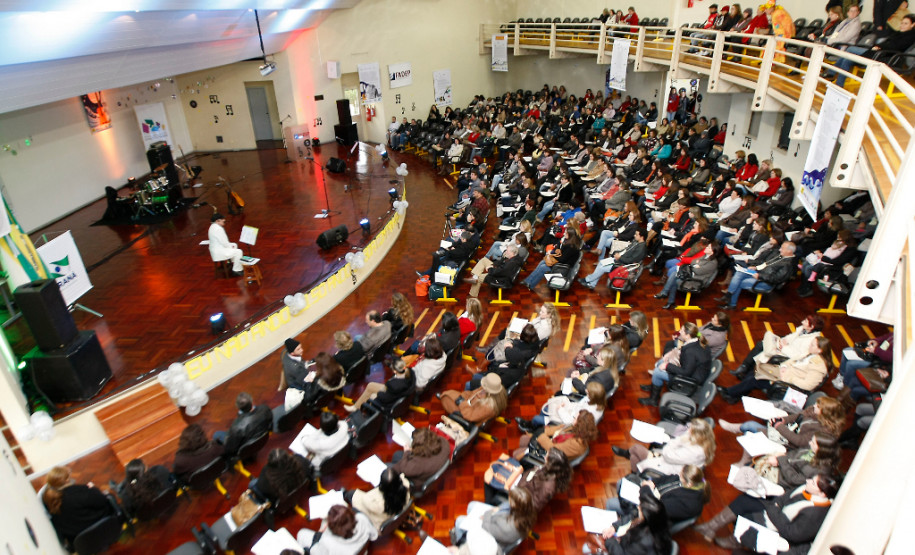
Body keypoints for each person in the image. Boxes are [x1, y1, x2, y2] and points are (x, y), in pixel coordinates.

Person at [693, 474, 838, 550]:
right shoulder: (804, 489)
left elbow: (791, 533)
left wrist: (774, 509)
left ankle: (734, 541)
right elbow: (782, 499)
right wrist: (775, 507)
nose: (807, 481)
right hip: (776, 513)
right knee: (745, 500)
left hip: (778, 529)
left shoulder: (815, 513)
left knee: (747, 517)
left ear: (822, 494)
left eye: (812, 482)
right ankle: (710, 527)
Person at [719, 336, 833, 402]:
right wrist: (784, 367)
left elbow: (808, 386)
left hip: (787, 382)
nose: (809, 346)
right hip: (782, 373)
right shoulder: (809, 353)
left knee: (755, 379)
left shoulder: (819, 367)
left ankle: (730, 393)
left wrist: (788, 377)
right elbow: (792, 361)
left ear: (820, 350)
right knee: (756, 369)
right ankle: (737, 394)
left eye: (813, 345)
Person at [603, 465, 710, 525]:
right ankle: (624, 514)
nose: (678, 476)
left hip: (652, 515)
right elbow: (666, 478)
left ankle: (619, 523)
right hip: (651, 495)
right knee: (621, 483)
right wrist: (652, 482)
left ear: (689, 483)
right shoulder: (684, 482)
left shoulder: (687, 503)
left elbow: (656, 507)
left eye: (681, 475)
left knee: (610, 503)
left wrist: (646, 488)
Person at [639, 322, 712, 406]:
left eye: (682, 330)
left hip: (689, 380)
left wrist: (667, 366)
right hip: (692, 371)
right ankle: (654, 386)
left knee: (657, 372)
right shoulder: (697, 342)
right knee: (661, 362)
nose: (680, 331)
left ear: (688, 335)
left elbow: (686, 372)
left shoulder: (690, 352)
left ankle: (653, 400)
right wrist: (669, 355)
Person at [584, 487, 672, 555]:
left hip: (622, 548)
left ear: (646, 517)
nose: (638, 507)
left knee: (586, 548)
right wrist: (614, 527)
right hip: (624, 542)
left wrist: (610, 540)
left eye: (640, 508)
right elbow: (632, 516)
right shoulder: (659, 521)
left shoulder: (644, 542)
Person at [834, 13, 915, 87]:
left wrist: (880, 47)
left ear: (913, 25)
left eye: (906, 23)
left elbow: (896, 47)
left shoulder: (910, 36)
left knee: (850, 50)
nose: (902, 25)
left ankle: (832, 73)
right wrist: (878, 46)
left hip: (887, 57)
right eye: (902, 23)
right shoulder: (898, 33)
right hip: (878, 53)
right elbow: (886, 43)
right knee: (848, 58)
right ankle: (838, 83)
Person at [42, 466, 117, 545]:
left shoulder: (48, 502)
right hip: (103, 527)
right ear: (67, 480)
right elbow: (102, 501)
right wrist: (93, 489)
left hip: (82, 542)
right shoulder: (81, 492)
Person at [613, 418, 716, 475]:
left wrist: (677, 441)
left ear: (698, 434)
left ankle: (629, 459)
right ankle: (634, 474)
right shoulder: (703, 441)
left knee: (636, 449)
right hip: (673, 459)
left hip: (672, 468)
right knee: (634, 456)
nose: (688, 431)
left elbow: (668, 454)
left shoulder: (695, 452)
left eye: (691, 430)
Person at [454, 487, 536, 552]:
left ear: (515, 505)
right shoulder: (528, 511)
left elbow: (486, 527)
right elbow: (507, 504)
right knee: (471, 505)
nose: (508, 499)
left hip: (492, 537)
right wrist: (498, 508)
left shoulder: (506, 527)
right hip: (498, 521)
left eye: (510, 498)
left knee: (459, 521)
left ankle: (460, 544)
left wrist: (487, 513)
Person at [719, 240, 797, 309]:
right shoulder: (779, 255)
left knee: (741, 282)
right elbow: (765, 263)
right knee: (739, 273)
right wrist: (756, 267)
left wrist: (760, 276)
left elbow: (776, 279)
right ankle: (728, 295)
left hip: (765, 282)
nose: (780, 249)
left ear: (789, 251)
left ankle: (732, 304)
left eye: (782, 248)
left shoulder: (788, 265)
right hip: (759, 273)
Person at [513, 411, 598, 461]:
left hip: (550, 456)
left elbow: (553, 450)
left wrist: (540, 435)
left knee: (516, 454)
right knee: (523, 439)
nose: (573, 420)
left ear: (581, 424)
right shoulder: (577, 429)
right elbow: (560, 428)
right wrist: (544, 432)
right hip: (552, 442)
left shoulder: (576, 445)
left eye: (575, 418)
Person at [345, 467, 411, 530]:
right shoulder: (405, 487)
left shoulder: (375, 503)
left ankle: (343, 494)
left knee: (351, 494)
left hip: (379, 520)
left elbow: (365, 499)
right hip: (394, 512)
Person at [300, 504, 378, 554]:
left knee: (301, 533)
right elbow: (374, 536)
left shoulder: (326, 541)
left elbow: (314, 550)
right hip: (361, 551)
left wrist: (319, 534)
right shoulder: (362, 518)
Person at [345, 357, 415, 413]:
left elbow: (384, 398)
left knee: (372, 395)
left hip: (389, 403)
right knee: (371, 385)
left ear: (394, 371)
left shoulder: (393, 385)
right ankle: (356, 407)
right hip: (398, 394)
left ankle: (364, 412)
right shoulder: (410, 373)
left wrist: (379, 393)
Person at [214, 392, 272, 457]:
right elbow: (270, 423)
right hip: (262, 439)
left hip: (245, 448)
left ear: (238, 407)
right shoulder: (264, 408)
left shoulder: (236, 427)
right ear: (252, 402)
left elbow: (231, 449)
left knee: (217, 434)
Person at [439, 373, 508, 424]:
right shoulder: (492, 391)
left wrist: (461, 402)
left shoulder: (488, 406)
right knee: (450, 394)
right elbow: (472, 393)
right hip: (468, 404)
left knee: (446, 397)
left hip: (467, 415)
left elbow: (470, 416)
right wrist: (463, 397)